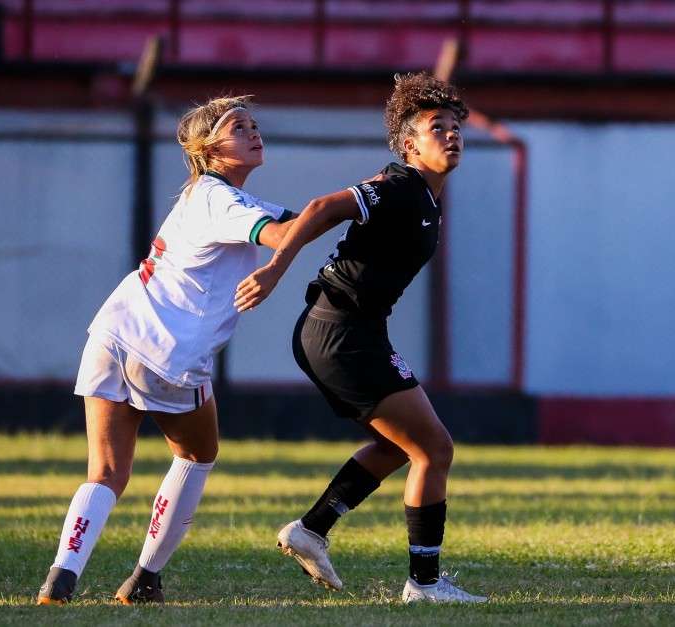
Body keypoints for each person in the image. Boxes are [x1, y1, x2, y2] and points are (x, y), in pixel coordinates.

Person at [234, 72, 487, 604]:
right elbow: (324, 207)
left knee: (404, 446)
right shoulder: (399, 188)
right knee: (434, 449)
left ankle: (312, 529)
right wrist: (276, 269)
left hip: (348, 330)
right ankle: (423, 584)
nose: (451, 134)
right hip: (340, 331)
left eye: (455, 126)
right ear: (410, 143)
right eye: (436, 127)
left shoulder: (423, 196)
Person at [37, 95, 297, 605]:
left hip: (113, 332)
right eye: (237, 126)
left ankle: (61, 577)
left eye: (254, 123)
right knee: (199, 453)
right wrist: (362, 201)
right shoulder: (220, 200)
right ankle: (145, 579)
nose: (253, 131)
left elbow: (301, 221)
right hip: (167, 352)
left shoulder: (217, 198)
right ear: (208, 148)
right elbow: (288, 233)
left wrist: (359, 203)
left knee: (107, 472)